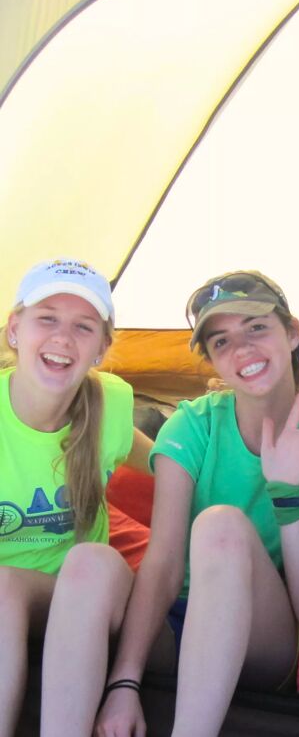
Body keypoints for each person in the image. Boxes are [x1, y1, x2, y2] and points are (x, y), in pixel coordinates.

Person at [95, 271, 299, 737]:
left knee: (221, 526)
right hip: (178, 622)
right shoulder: (193, 427)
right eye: (221, 341)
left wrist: (287, 490)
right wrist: (125, 680)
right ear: (214, 360)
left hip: (265, 636)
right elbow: (164, 564)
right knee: (91, 568)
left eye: (256, 327)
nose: (242, 350)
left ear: (292, 332)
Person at [0, 258, 151, 737]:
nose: (63, 339)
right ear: (14, 330)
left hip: (90, 598)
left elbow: (172, 471)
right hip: (8, 601)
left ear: (102, 350)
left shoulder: (109, 407)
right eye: (47, 318)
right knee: (3, 589)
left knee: (92, 560)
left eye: (83, 327)